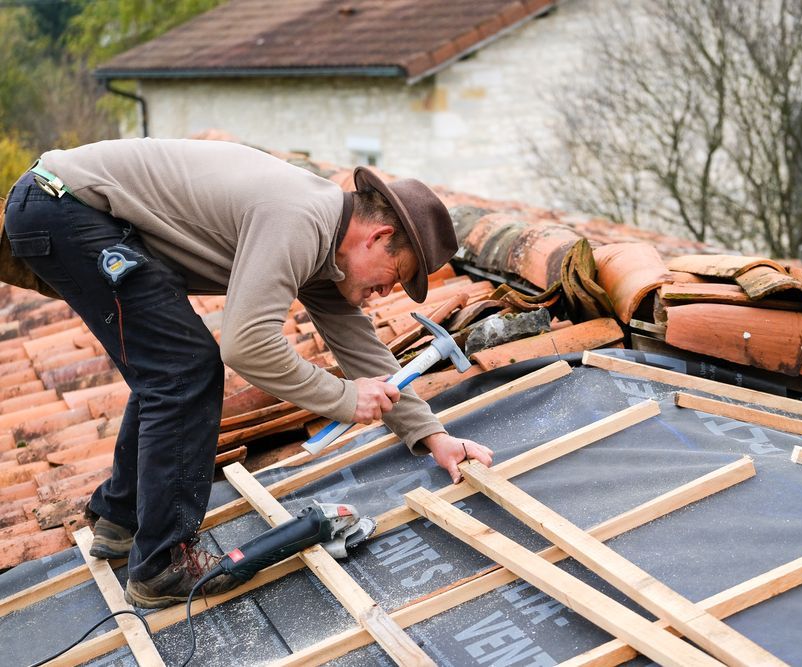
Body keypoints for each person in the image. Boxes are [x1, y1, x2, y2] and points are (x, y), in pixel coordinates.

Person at [0, 138, 494, 608]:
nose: (386, 294)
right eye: (396, 276)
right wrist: (344, 399)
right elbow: (246, 344)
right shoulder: (301, 219)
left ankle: (121, 518)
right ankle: (161, 566)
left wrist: (433, 436)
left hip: (69, 208)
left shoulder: (327, 247)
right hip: (63, 206)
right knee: (184, 366)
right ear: (379, 238)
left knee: (170, 365)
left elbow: (360, 346)